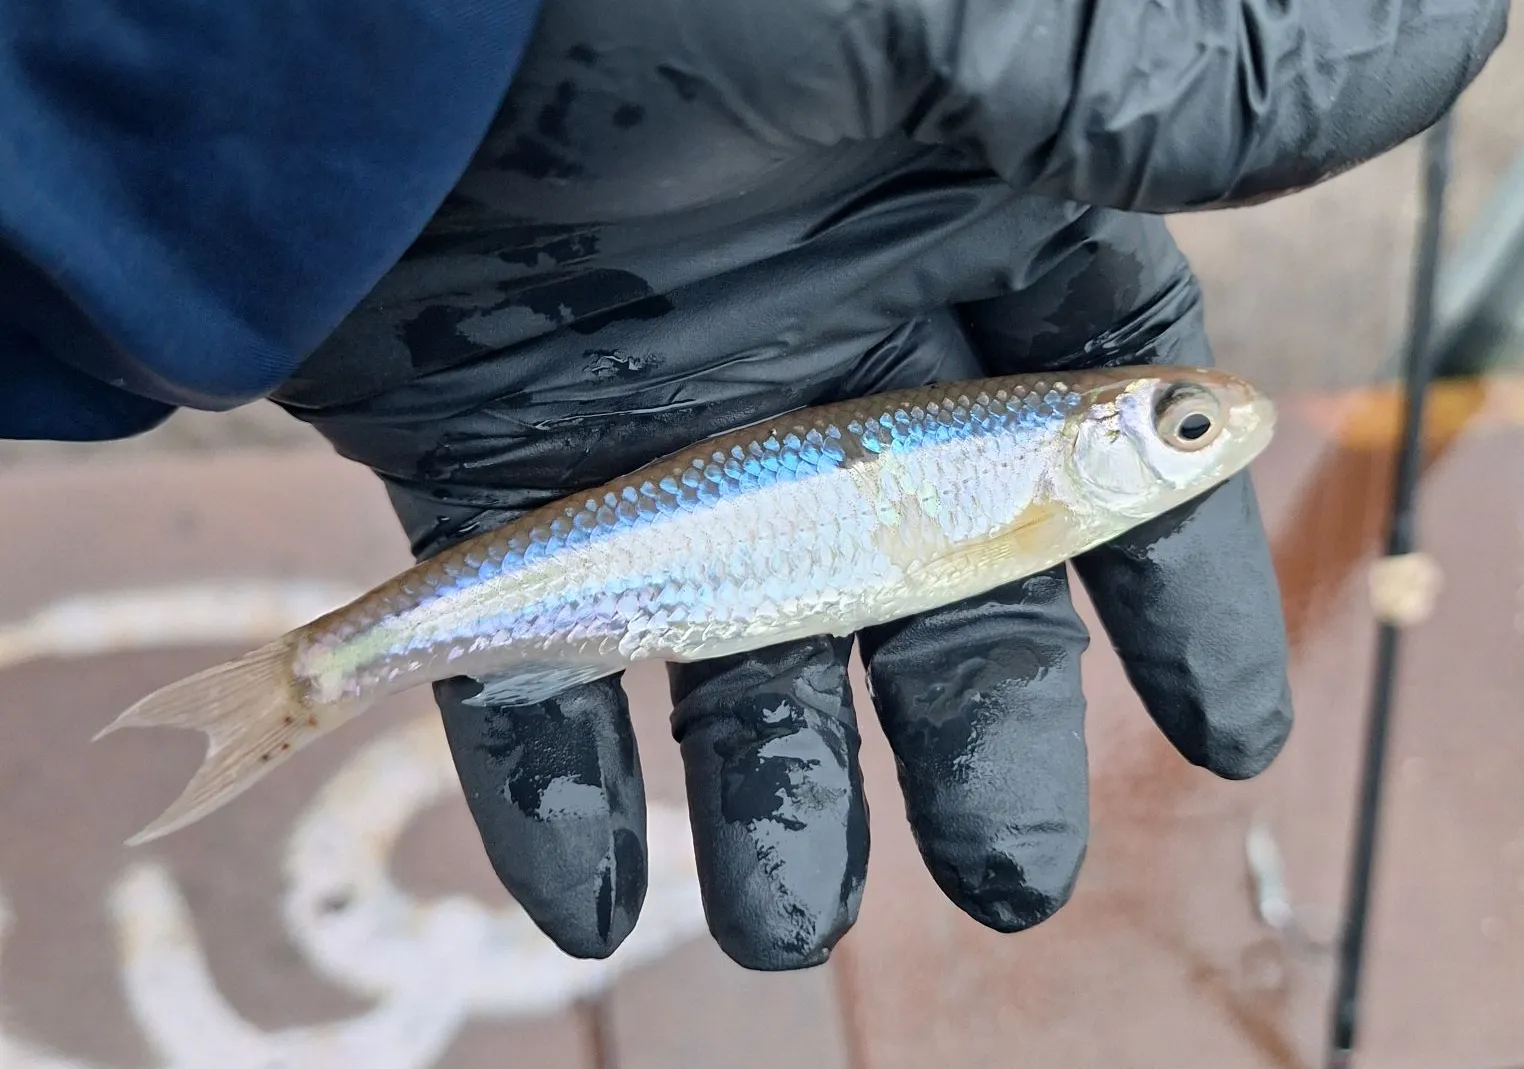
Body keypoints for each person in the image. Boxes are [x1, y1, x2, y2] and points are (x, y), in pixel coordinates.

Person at [2, 0, 1507, 971]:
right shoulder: (1053, 460)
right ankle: (323, 668)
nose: (1204, 427)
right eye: (1177, 427)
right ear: (1093, 435)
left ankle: (332, 662)